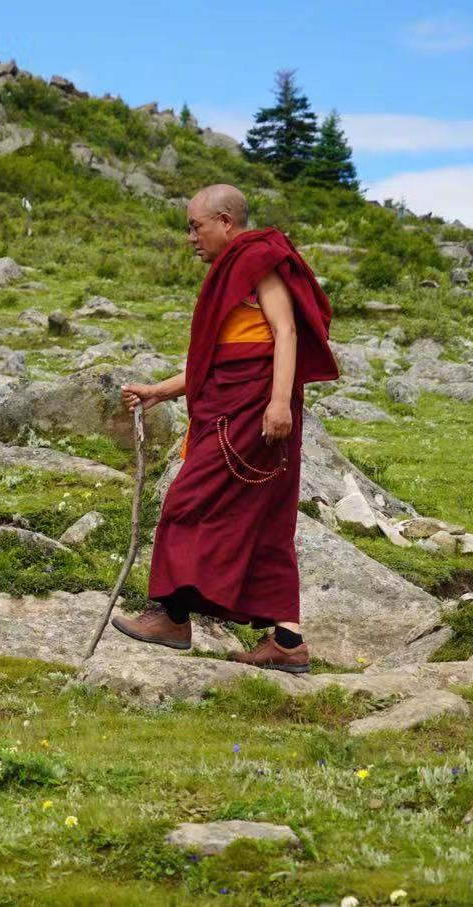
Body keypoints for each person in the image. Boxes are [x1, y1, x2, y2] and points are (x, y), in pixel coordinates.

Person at [114, 184, 339, 672]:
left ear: (225, 222)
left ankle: (173, 617)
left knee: (186, 502)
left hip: (254, 412)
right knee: (265, 519)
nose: (191, 237)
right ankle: (287, 641)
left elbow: (286, 331)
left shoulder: (259, 260)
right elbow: (218, 359)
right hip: (238, 407)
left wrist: (278, 403)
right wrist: (160, 392)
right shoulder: (234, 270)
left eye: (195, 226)